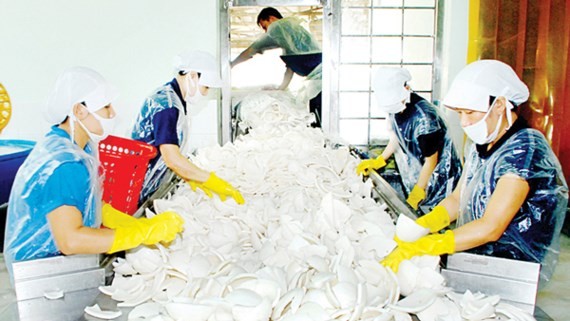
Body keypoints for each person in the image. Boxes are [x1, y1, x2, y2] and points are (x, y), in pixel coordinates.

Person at [382, 60, 568, 285]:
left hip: (513, 268)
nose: (464, 122)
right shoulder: (483, 143)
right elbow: (458, 198)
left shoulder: (524, 151)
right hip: (479, 257)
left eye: (470, 112)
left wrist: (431, 244)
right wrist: (426, 224)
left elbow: (491, 227)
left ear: (499, 105)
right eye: (460, 113)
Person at [3, 67, 184, 281]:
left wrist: (132, 223)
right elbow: (70, 240)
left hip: (61, 266)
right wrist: (142, 234)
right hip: (43, 276)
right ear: (80, 111)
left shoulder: (78, 146)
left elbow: (86, 203)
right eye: (106, 106)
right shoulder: (63, 163)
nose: (113, 113)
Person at [131, 50, 244, 205]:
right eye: (206, 87)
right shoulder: (168, 106)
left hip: (149, 180)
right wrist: (210, 180)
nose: (205, 93)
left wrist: (190, 176)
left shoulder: (173, 98)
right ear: (192, 76)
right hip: (140, 186)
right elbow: (171, 159)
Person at [356, 67, 462, 213]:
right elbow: (397, 137)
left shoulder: (425, 119)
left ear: (406, 88)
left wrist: (419, 190)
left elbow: (431, 161)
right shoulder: (398, 108)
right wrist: (380, 160)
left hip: (440, 182)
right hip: (420, 175)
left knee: (433, 220)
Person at [230, 7, 323, 127]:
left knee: (318, 117)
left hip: (319, 79)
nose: (266, 32)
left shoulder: (278, 27)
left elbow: (252, 50)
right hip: (318, 78)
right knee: (316, 117)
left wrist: (232, 64)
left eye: (265, 27)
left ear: (272, 18)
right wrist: (281, 89)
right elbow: (291, 67)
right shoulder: (292, 31)